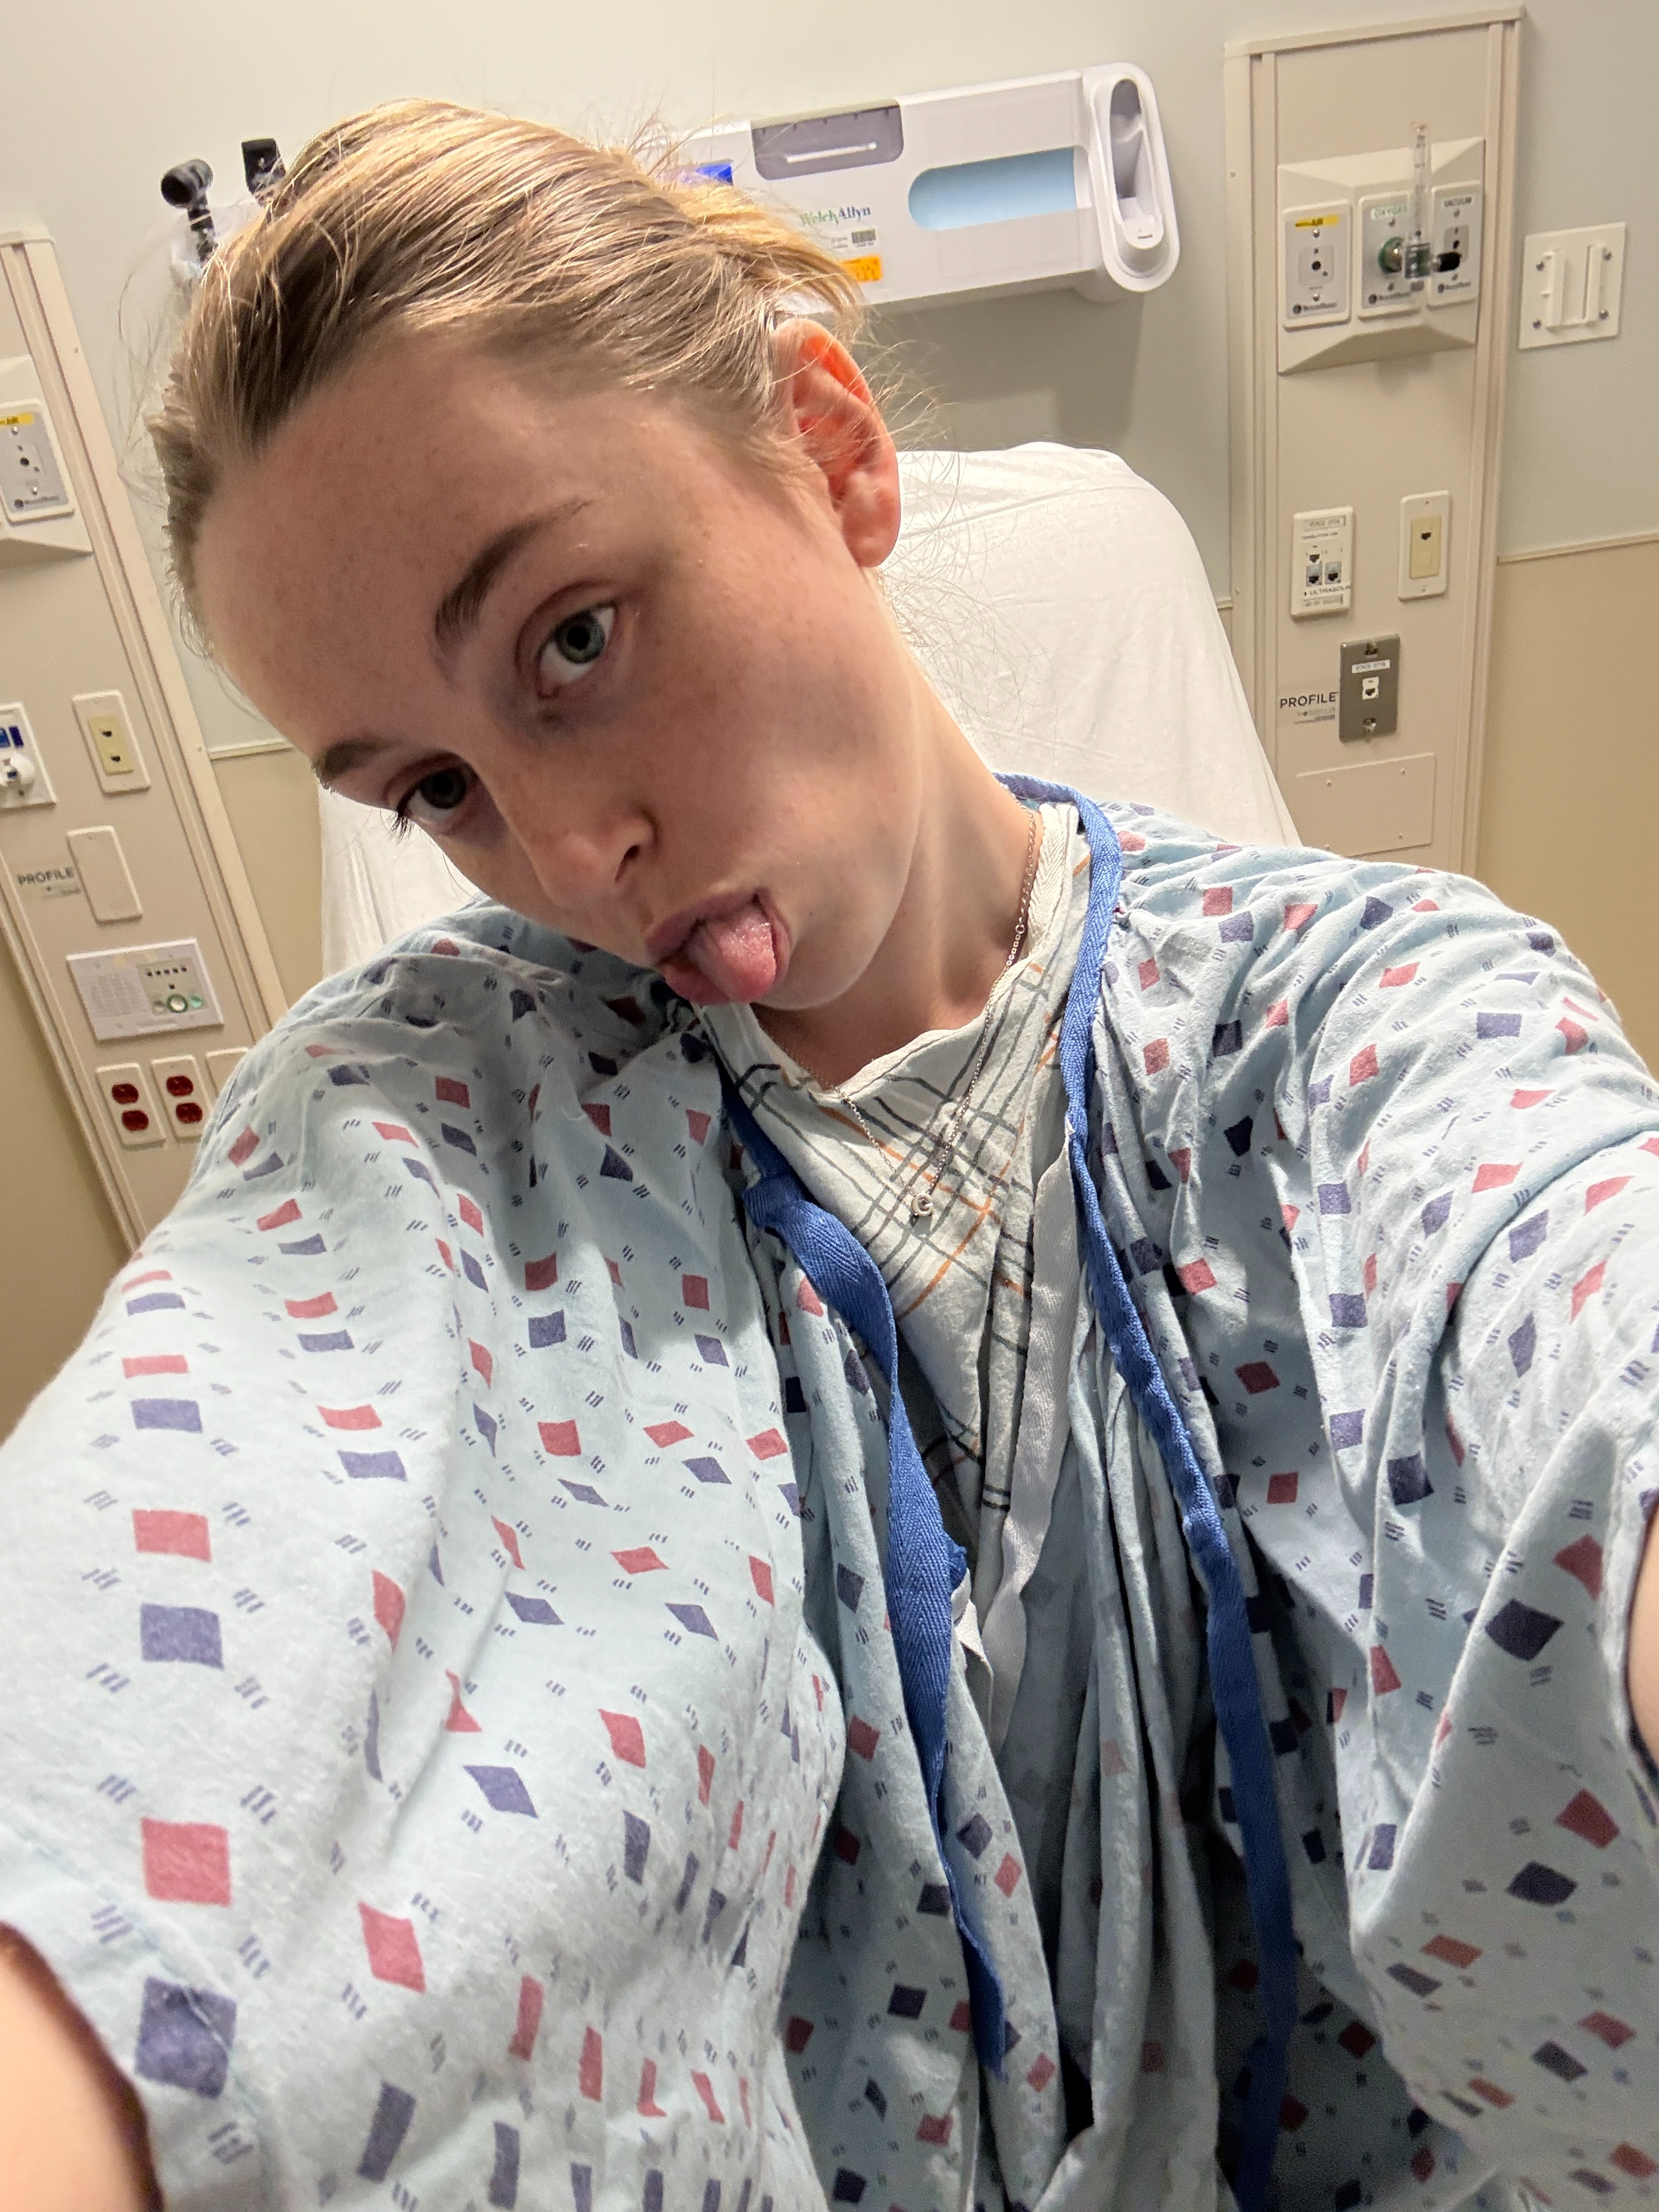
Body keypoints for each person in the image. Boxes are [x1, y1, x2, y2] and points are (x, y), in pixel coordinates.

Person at [3, 96, 1658, 2212]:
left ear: (830, 448)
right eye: (433, 788)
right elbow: (198, 1527)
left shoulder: (1353, 1013)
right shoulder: (446, 1111)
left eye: (575, 639)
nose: (568, 854)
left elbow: (1566, 1300)